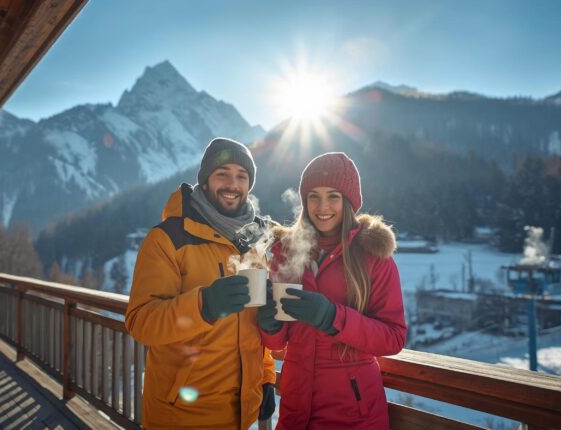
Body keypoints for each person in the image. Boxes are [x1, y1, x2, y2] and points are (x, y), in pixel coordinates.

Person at [126, 137, 276, 430]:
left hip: (241, 416)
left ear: (249, 186)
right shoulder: (168, 239)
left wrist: (267, 377)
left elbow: (252, 330)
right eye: (223, 174)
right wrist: (203, 305)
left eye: (241, 177)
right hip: (181, 416)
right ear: (205, 181)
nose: (233, 184)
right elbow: (141, 322)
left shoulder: (253, 244)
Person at [258, 152, 406, 429]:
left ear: (348, 201)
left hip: (353, 414)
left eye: (333, 196)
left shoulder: (372, 255)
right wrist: (270, 325)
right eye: (313, 195)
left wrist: (331, 317)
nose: (322, 206)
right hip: (295, 405)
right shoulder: (285, 252)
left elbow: (393, 338)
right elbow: (278, 343)